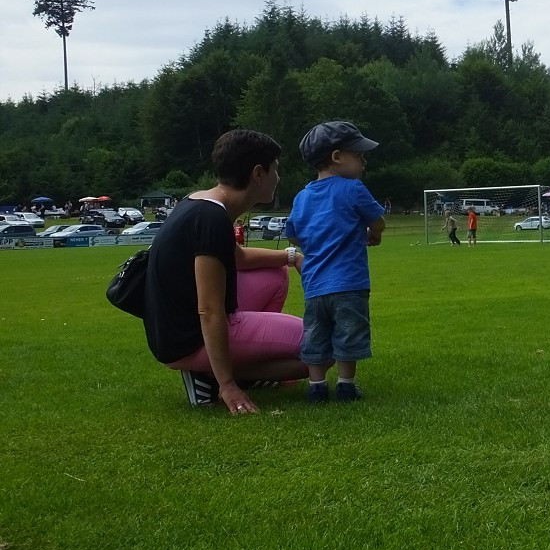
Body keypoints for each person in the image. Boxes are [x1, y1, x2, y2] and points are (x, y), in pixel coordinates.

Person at [142, 129, 306, 414]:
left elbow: (238, 258)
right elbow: (209, 309)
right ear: (258, 173)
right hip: (188, 339)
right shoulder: (212, 219)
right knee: (323, 348)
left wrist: (290, 257)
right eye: (275, 170)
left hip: (174, 328)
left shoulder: (201, 201)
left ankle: (223, 367)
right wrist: (228, 384)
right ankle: (215, 376)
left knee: (276, 274)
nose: (277, 178)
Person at [286, 121, 386, 404]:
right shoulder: (353, 189)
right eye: (359, 155)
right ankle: (345, 386)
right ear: (337, 157)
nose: (364, 162)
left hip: (315, 285)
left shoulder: (301, 197)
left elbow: (293, 236)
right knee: (348, 333)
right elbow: (377, 221)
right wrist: (373, 235)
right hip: (350, 283)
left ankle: (316, 387)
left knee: (315, 335)